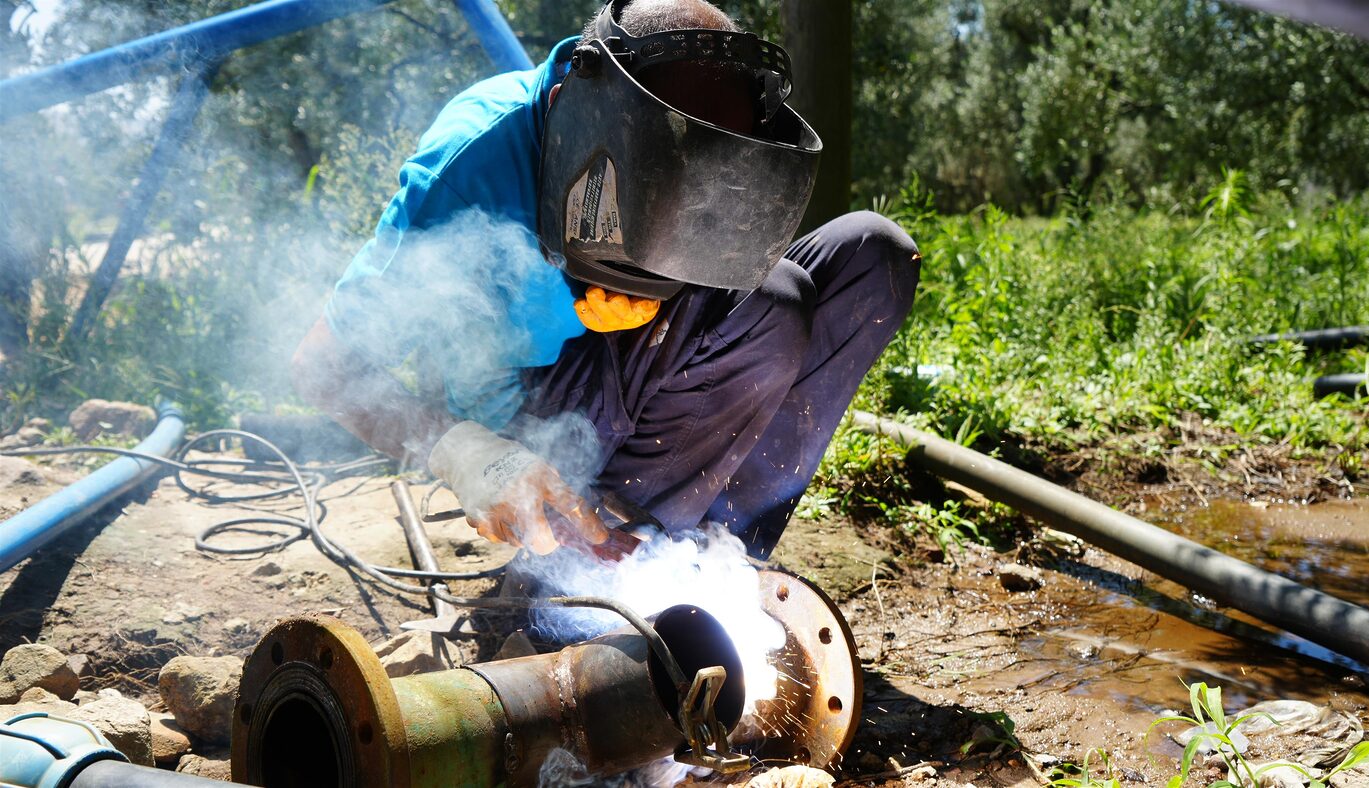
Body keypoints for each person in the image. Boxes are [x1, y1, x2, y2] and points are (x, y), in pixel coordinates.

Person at [292, 0, 919, 561]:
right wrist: (466, 453)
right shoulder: (468, 167)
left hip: (624, 370)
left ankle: (719, 557)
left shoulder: (688, 140)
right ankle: (608, 563)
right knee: (775, 307)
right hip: (527, 409)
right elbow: (323, 365)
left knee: (872, 255)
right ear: (574, 109)